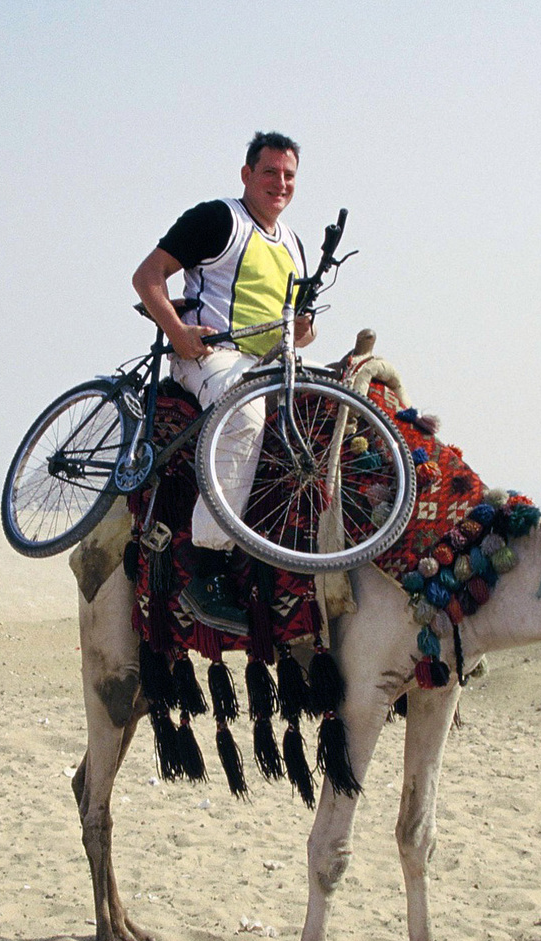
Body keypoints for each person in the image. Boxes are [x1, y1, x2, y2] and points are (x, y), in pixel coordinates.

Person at [131, 130, 315, 633]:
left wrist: (304, 331)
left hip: (269, 366)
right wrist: (178, 331)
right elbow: (148, 275)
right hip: (210, 355)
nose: (280, 183)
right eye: (270, 172)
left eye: (289, 175)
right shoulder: (217, 219)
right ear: (247, 175)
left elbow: (298, 327)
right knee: (244, 418)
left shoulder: (295, 246)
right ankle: (206, 567)